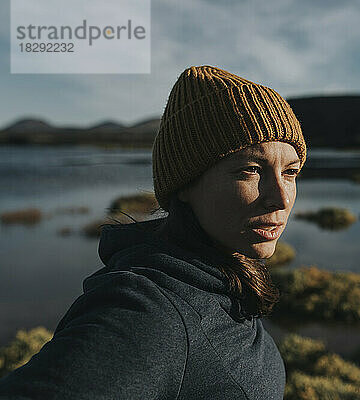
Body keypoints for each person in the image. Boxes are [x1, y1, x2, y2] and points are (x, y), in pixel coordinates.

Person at [0, 65, 307, 399]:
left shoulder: (224, 276)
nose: (281, 197)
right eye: (250, 170)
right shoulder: (148, 311)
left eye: (290, 172)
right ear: (186, 184)